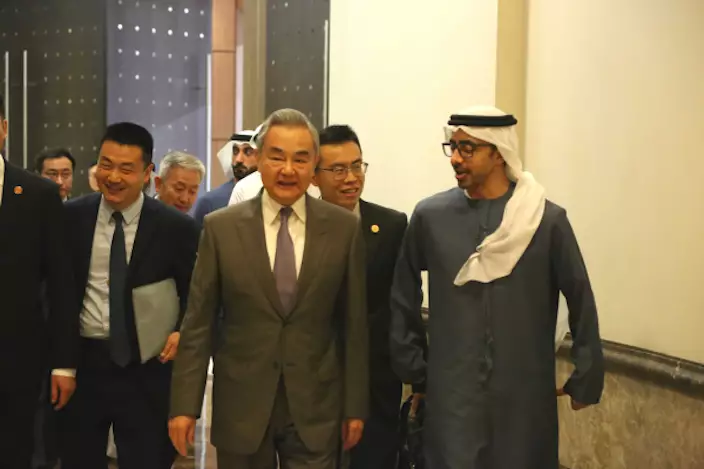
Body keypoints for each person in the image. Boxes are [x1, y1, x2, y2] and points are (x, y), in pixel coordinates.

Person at [390, 106, 605, 469]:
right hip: (452, 397)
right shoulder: (430, 217)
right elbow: (403, 293)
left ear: (498, 152)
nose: (455, 158)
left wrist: (586, 376)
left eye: (467, 149)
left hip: (524, 397)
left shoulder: (545, 220)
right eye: (452, 147)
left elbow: (580, 296)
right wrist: (416, 368)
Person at [169, 109, 369, 469]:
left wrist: (355, 406)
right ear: (259, 160)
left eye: (300, 159)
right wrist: (184, 406)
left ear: (314, 166)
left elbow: (353, 325)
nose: (288, 170)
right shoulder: (221, 228)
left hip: (316, 406)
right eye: (277, 157)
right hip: (241, 403)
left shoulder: (343, 229)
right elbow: (198, 323)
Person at [58, 122, 200, 469]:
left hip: (147, 372)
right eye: (106, 165)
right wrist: (61, 364)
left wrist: (181, 331)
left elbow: (196, 295)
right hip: (85, 367)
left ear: (148, 173)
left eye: (126, 168)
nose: (113, 177)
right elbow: (56, 290)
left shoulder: (176, 228)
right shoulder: (71, 218)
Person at [312, 125, 407, 469]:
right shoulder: (300, 227)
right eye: (338, 169)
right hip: (315, 379)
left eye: (357, 166)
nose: (351, 178)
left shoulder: (392, 225)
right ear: (314, 176)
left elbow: (402, 304)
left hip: (375, 381)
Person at [0, 94, 78, 469]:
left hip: (19, 360)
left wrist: (64, 364)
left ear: (3, 128)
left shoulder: (37, 193)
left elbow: (61, 283)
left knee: (16, 451)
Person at [193, 130, 259, 225]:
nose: (238, 159)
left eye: (248, 152)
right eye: (235, 152)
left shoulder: (271, 198)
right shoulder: (210, 202)